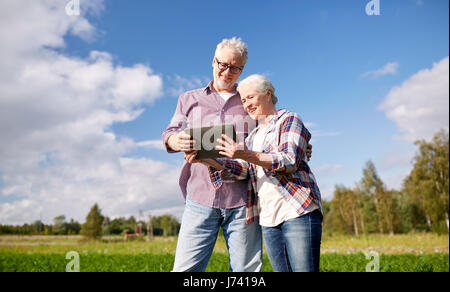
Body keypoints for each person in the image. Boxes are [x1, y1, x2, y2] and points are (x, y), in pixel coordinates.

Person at [186, 74, 322, 272]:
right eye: (243, 100)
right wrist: (204, 159)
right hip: (268, 218)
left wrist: (245, 153)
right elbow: (243, 170)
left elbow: (288, 159)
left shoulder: (288, 119)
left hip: (296, 210)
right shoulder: (252, 137)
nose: (246, 104)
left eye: (250, 97)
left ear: (268, 94)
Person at [162, 37, 263, 272]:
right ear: (213, 62)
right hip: (200, 197)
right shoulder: (189, 99)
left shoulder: (250, 102)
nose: (227, 72)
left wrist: (301, 145)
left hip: (243, 201)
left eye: (235, 68)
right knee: (185, 271)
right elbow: (170, 132)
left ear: (242, 70)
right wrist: (177, 141)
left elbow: (271, 130)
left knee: (246, 273)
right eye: (223, 64)